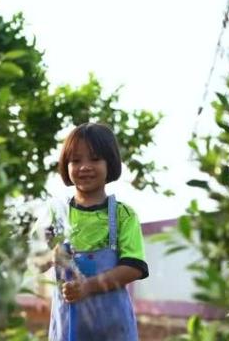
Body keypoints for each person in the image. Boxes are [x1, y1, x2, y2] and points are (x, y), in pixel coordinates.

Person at [44, 122, 148, 341]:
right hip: (67, 328)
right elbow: (34, 261)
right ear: (66, 165)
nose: (84, 167)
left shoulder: (124, 215)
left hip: (113, 329)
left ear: (110, 163)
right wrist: (49, 256)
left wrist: (88, 287)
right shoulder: (56, 213)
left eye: (94, 159)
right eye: (76, 160)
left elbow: (134, 267)